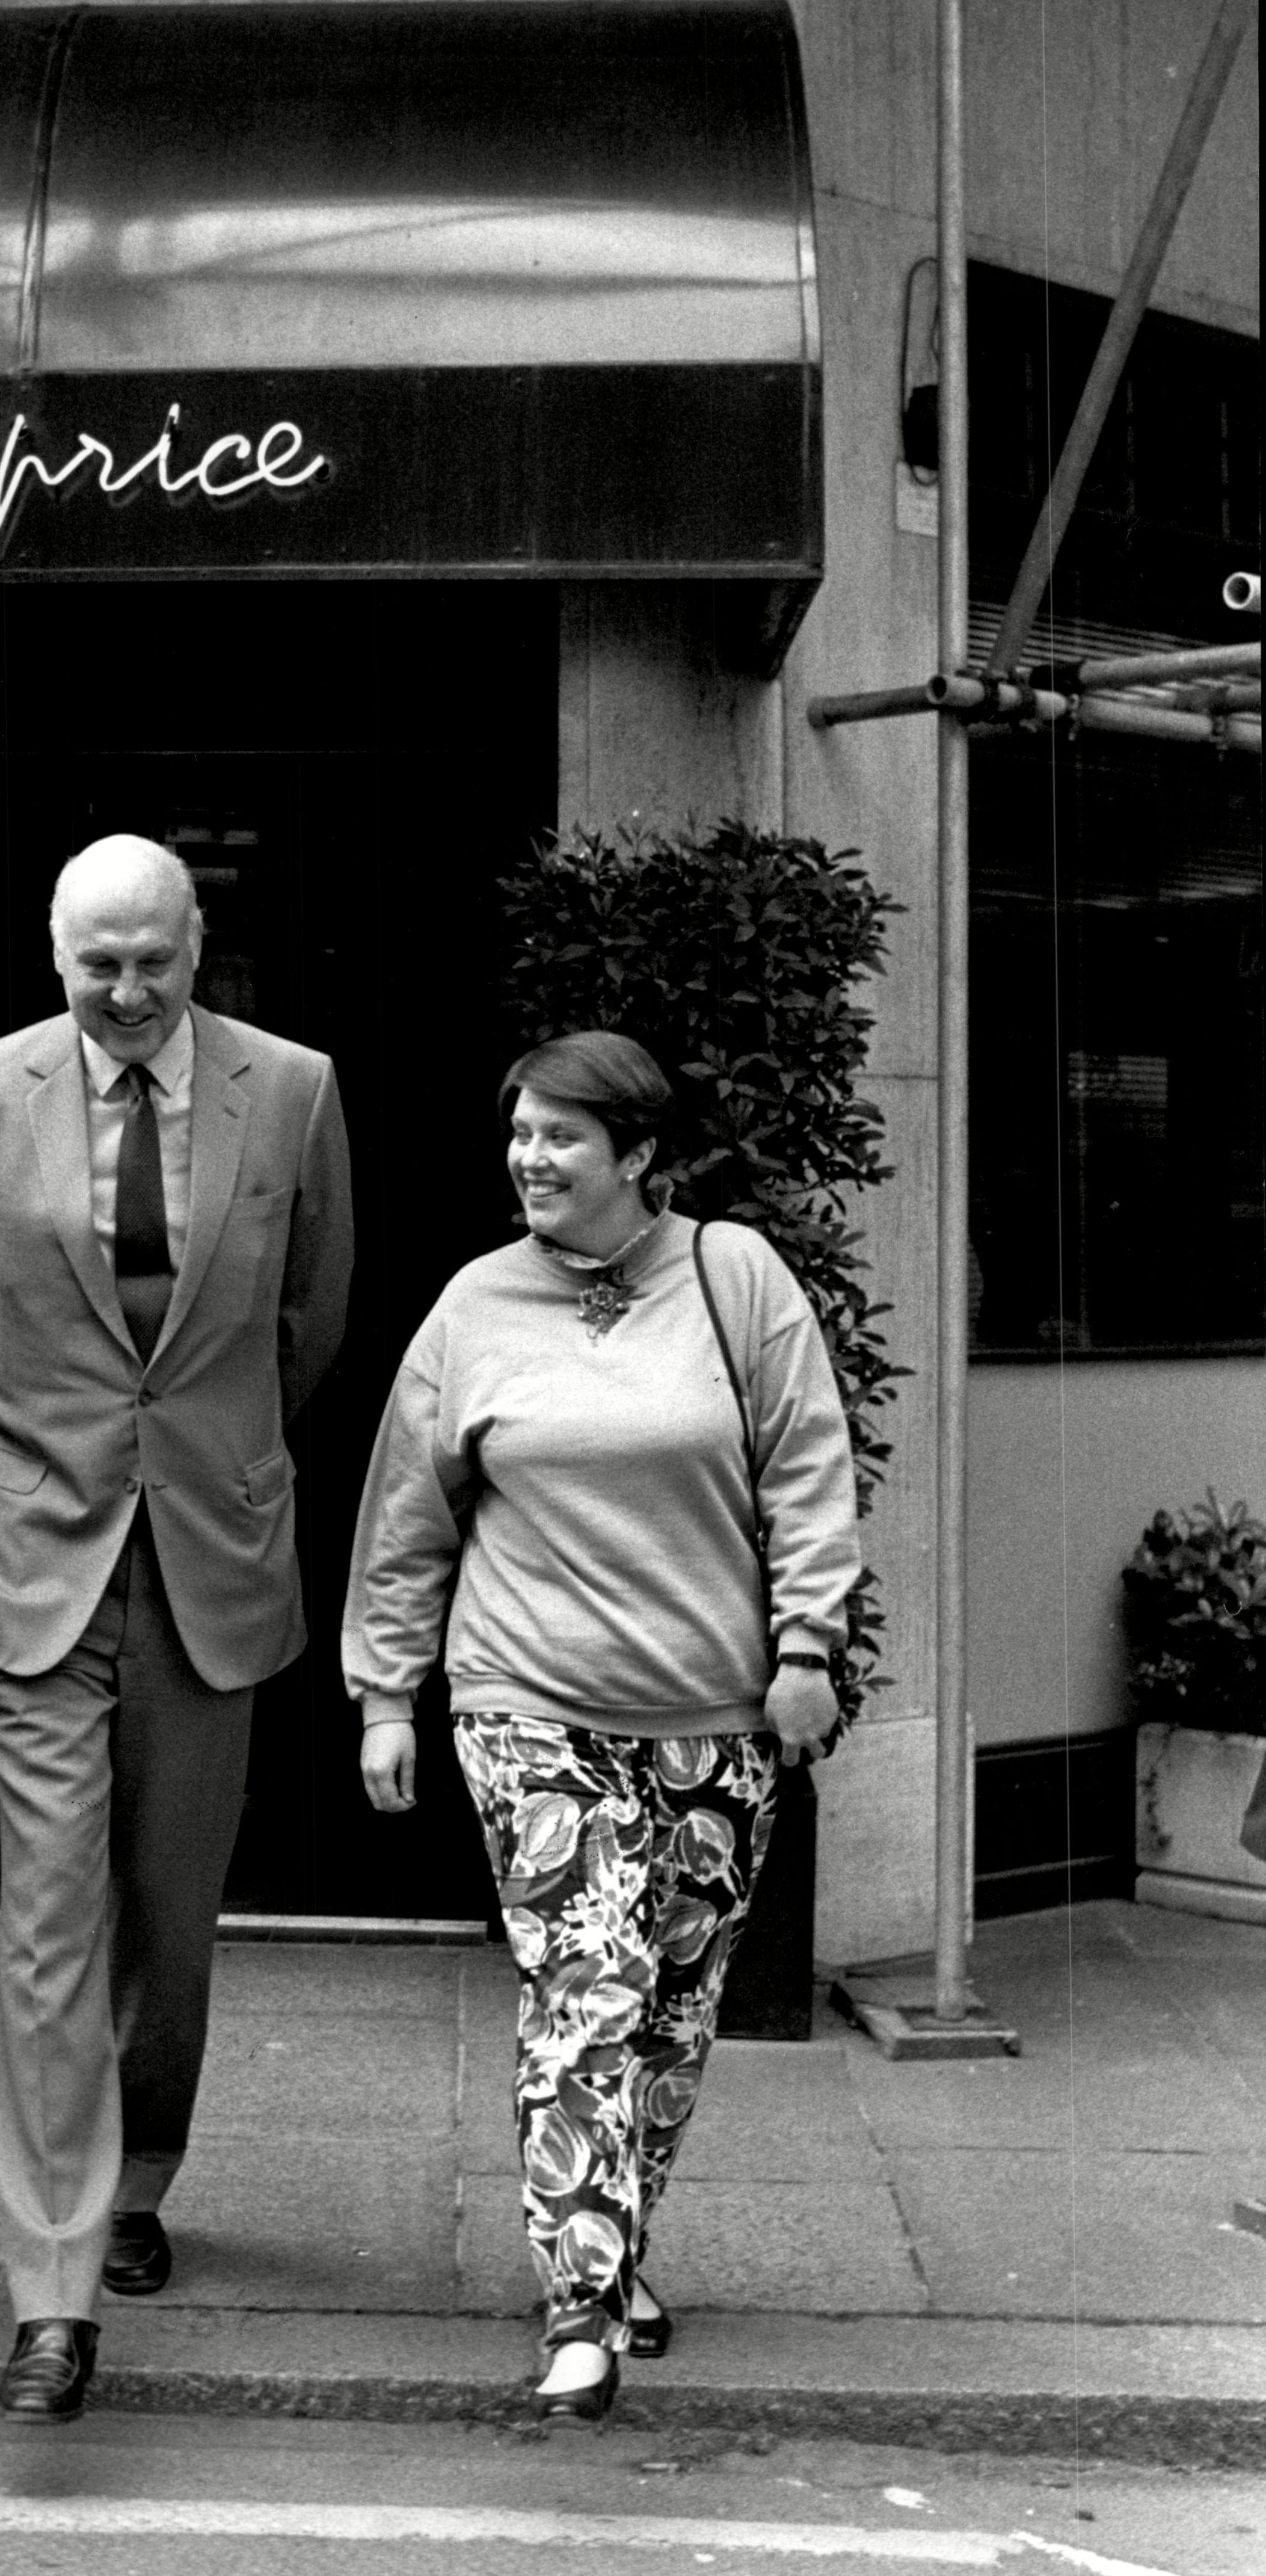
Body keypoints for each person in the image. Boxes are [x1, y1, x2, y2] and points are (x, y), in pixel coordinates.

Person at [343, 1031, 858, 2420]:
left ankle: (615, 2242)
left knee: (675, 2014)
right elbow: (408, 1514)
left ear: (638, 1155)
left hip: (712, 1710)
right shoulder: (471, 1306)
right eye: (519, 1132)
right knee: (589, 1989)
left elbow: (809, 1465)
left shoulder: (733, 1275)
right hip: (528, 1703)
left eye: (562, 1135)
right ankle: (580, 2302)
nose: (530, 1156)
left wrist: (808, 1642)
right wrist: (387, 1693)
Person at [0, 834, 354, 2422]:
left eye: (150, 958)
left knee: (169, 1921)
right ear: (52, 948)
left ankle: (139, 2172)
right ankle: (52, 2289)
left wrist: (210, 1451)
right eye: (95, 959)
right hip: (29, 1556)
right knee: (46, 1925)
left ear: (194, 941)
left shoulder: (291, 1090)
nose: (123, 987)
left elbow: (313, 1314)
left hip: (209, 1559)